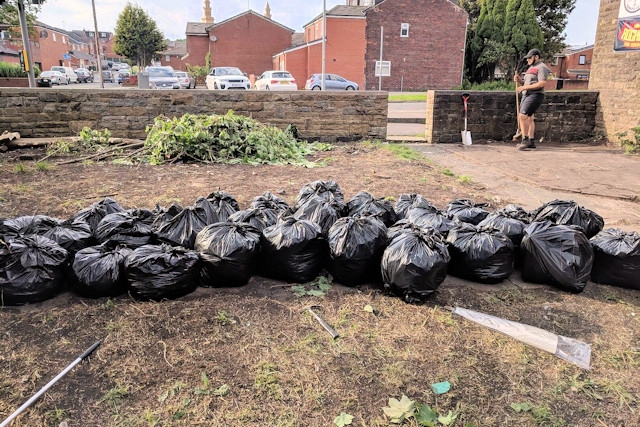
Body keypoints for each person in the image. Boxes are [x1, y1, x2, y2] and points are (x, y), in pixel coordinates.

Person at [513, 48, 551, 150]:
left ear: (536, 57)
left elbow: (542, 83)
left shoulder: (542, 67)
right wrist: (520, 81)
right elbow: (526, 83)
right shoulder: (531, 68)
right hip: (527, 94)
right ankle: (531, 141)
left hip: (535, 94)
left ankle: (524, 140)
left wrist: (525, 87)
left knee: (522, 116)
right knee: (529, 117)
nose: (528, 60)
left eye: (530, 58)